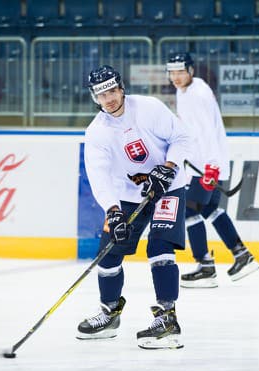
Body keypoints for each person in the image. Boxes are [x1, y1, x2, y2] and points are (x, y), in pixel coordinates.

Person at [78, 65, 194, 349]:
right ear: (95, 98)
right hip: (128, 195)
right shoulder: (96, 133)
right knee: (108, 252)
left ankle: (167, 317)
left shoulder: (148, 108)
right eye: (101, 94)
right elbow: (100, 177)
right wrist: (113, 211)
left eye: (112, 90)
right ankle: (109, 312)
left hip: (169, 187)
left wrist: (168, 168)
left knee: (159, 245)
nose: (109, 99)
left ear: (121, 88)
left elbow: (182, 137)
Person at [166, 52, 259, 288]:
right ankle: (241, 254)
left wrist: (211, 168)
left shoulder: (197, 94)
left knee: (188, 211)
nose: (176, 77)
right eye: (172, 72)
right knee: (210, 209)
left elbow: (207, 132)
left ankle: (205, 266)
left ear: (191, 70)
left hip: (207, 166)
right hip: (205, 164)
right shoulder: (188, 89)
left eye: (180, 72)